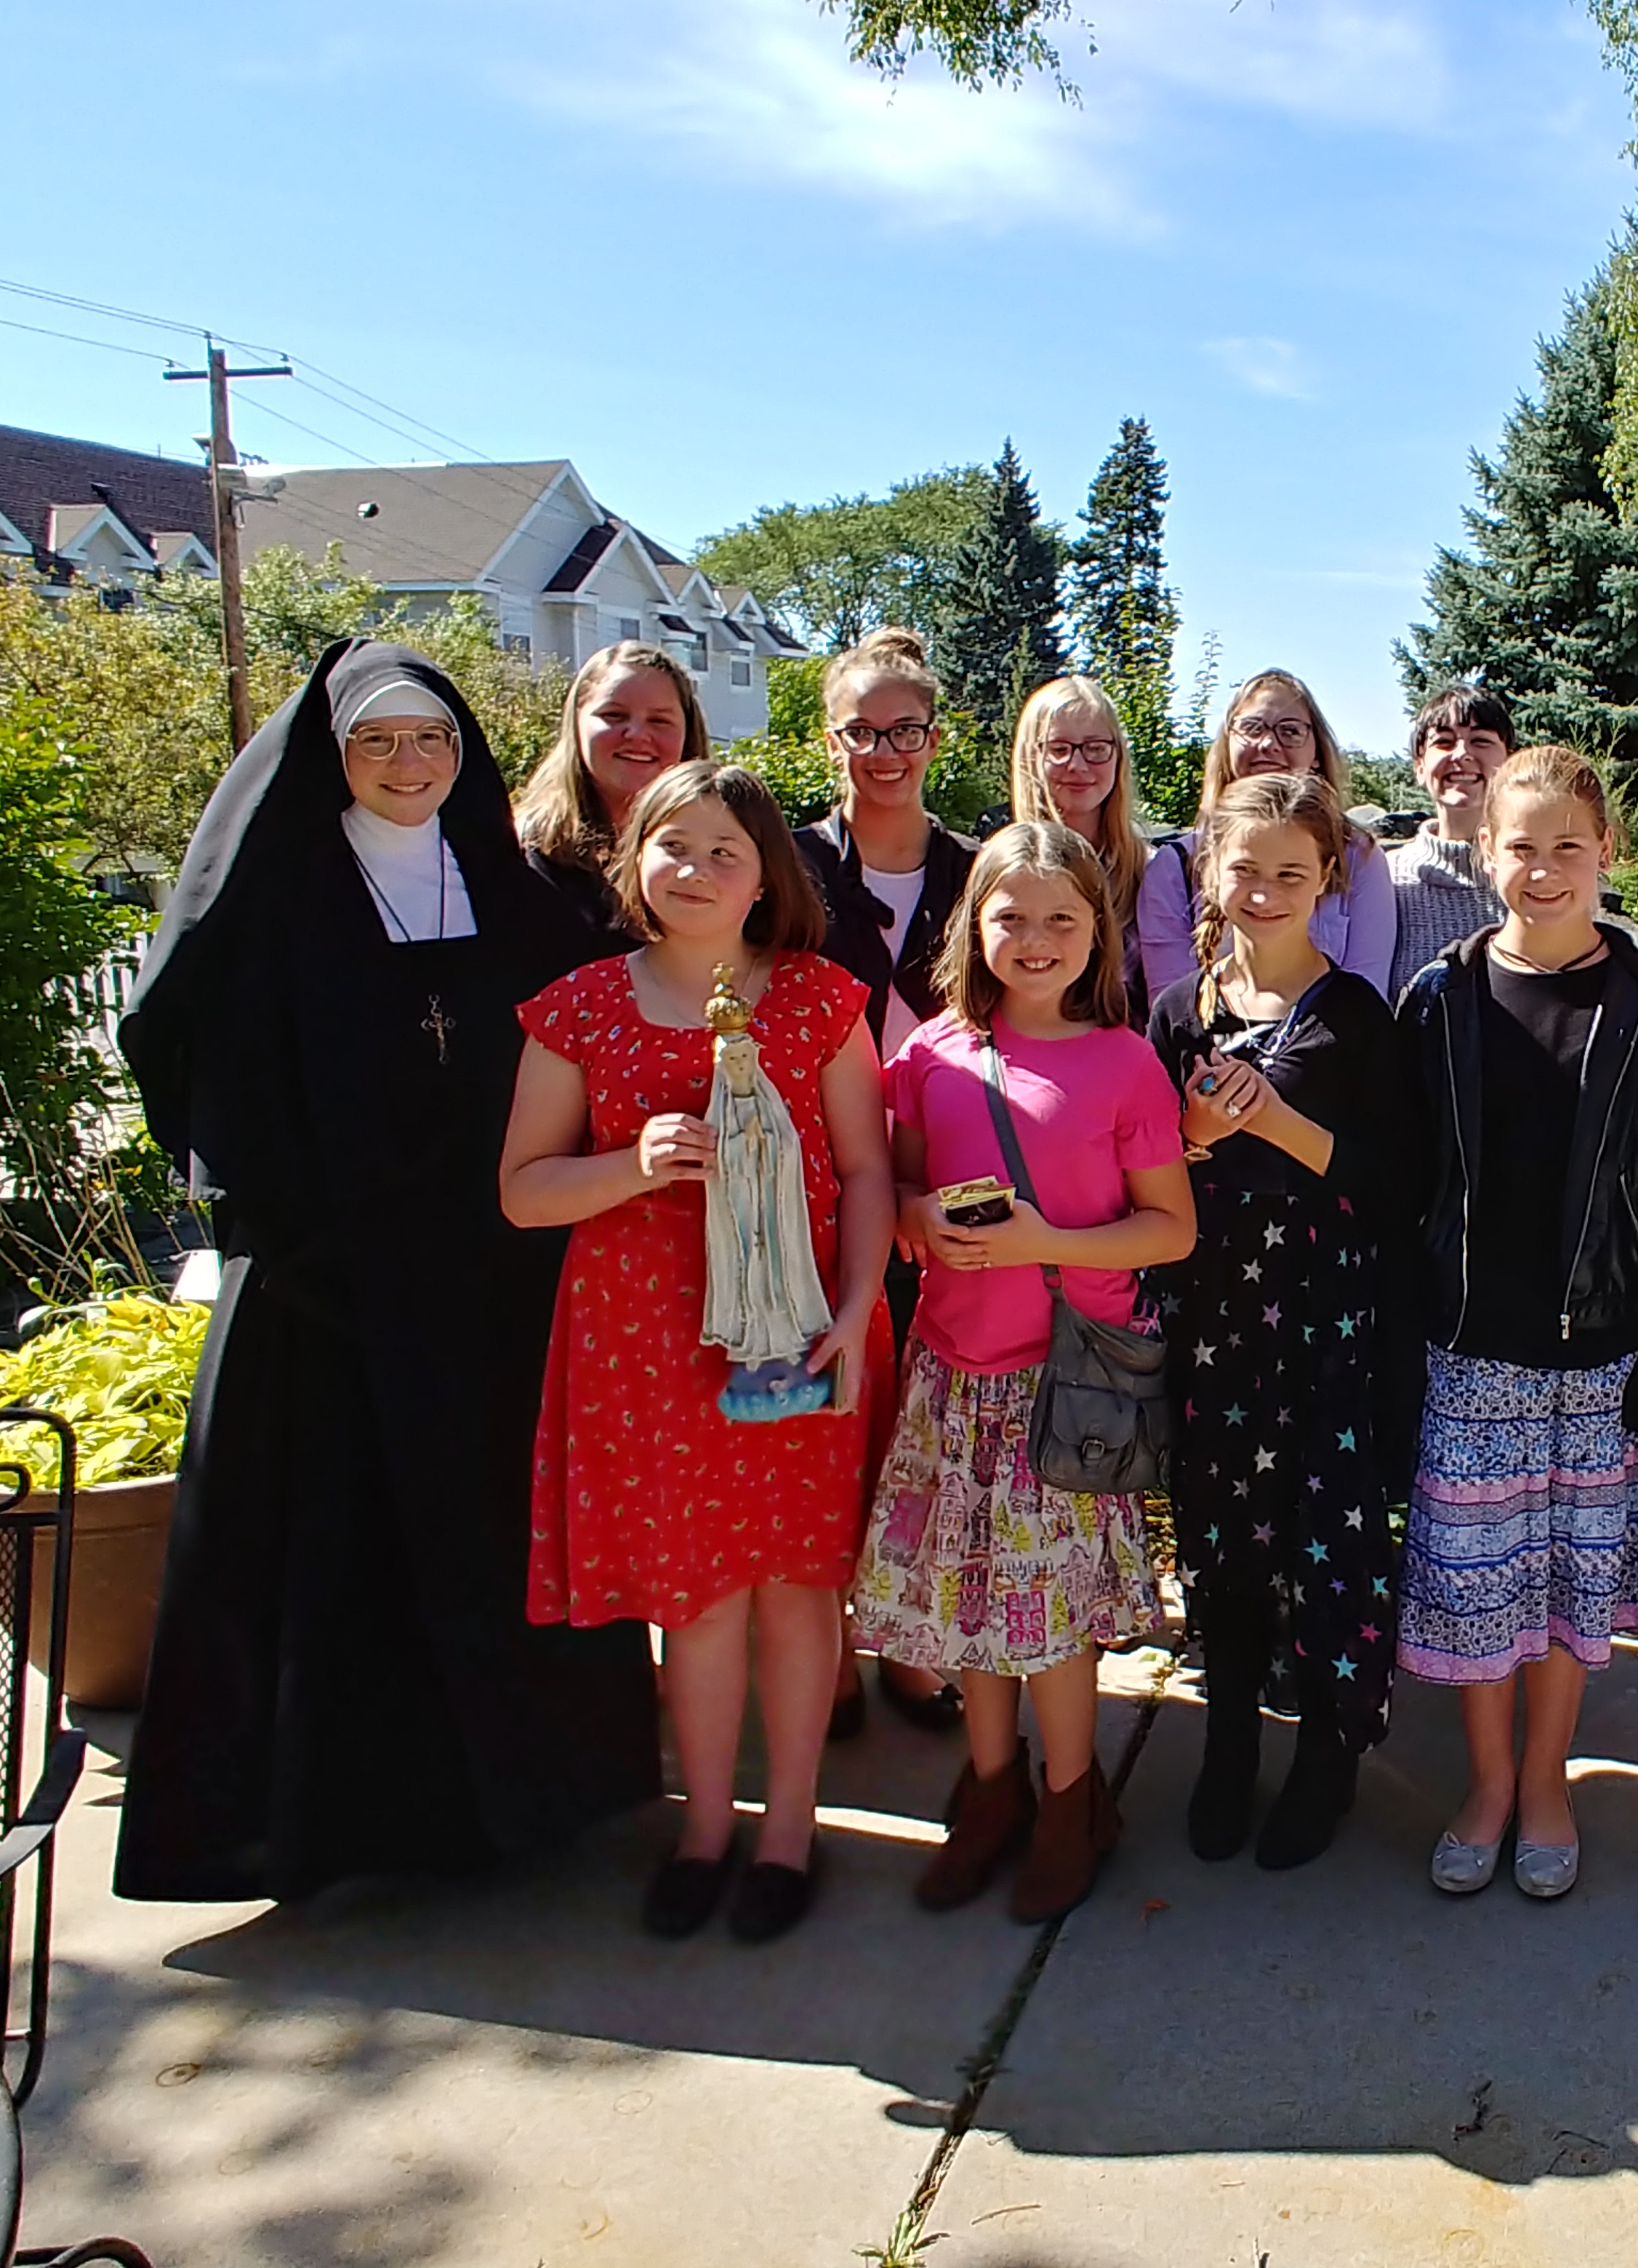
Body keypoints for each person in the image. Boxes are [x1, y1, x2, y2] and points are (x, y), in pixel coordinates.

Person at [113, 641, 661, 1905]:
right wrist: (297, 1231)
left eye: (431, 740)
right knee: (335, 1557)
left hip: (492, 1282)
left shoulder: (516, 896)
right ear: (332, 756)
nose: (408, 764)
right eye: (377, 741)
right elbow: (222, 1081)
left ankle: (529, 1804)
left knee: (495, 1546)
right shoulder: (281, 902)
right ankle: (340, 1830)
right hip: (328, 1289)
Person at [501, 761, 896, 1945]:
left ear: (764, 878)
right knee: (700, 1598)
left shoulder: (820, 999)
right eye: (675, 845)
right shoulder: (579, 1006)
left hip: (796, 1333)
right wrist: (632, 1165)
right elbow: (523, 1190)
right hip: (649, 1349)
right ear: (636, 861)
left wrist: (856, 1309)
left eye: (727, 852)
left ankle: (789, 1832)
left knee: (797, 1587)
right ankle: (706, 1829)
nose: (697, 870)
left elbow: (867, 1169)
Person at [848, 823, 1195, 1924]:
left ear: (1097, 933)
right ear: (974, 926)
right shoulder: (934, 1054)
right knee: (971, 1599)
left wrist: (1047, 1241)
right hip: (955, 1376)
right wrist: (920, 1222)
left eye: (1061, 919)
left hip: (1065, 1385)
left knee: (1051, 1617)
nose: (1035, 939)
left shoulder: (1123, 1061)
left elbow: (1170, 1228)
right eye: (1011, 917)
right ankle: (991, 1790)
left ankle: (1069, 1801)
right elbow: (898, 1192)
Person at [1400, 746, 1638, 1901]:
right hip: (1472, 1346)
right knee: (1479, 1588)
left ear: (1607, 852)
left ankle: (1545, 1783)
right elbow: (1408, 1176)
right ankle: (1486, 1783)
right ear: (1485, 852)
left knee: (1575, 1590)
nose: (1544, 869)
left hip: (1599, 1350)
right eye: (1521, 846)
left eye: (1568, 846)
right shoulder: (1441, 995)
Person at [1151, 773, 1415, 1870]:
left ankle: (1328, 1754)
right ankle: (1227, 1746)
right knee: (1223, 1528)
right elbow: (1146, 1170)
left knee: (1326, 1532)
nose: (1264, 891)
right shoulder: (1179, 1010)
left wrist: (1278, 1124)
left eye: (1289, 874)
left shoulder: (1354, 1015)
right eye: (1245, 870)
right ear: (1211, 873)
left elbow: (1395, 1184)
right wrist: (1196, 1136)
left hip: (1321, 1309)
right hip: (1215, 1304)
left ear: (1326, 882)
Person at [790, 625, 984, 1740]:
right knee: (831, 1416)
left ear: (935, 739)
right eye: (862, 733)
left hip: (954, 1182)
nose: (885, 752)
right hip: (823, 1183)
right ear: (833, 742)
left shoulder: (976, 872)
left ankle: (911, 1645)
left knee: (931, 1422)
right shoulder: (792, 867)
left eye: (904, 730)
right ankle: (826, 1650)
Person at [1137, 671, 1394, 1002]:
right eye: (1252, 728)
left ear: (1317, 752)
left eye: (1290, 731)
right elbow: (1172, 1008)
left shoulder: (1359, 857)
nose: (1269, 744)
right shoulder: (1175, 866)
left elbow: (1366, 998)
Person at [515, 641, 715, 956]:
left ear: (687, 732)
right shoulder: (525, 854)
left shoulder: (727, 849)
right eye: (614, 715)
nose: (636, 734)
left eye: (659, 721)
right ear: (577, 724)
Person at [1007, 674, 1152, 1019]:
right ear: (1031, 758)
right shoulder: (1001, 871)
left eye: (1096, 748)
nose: (1078, 765)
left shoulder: (1151, 872)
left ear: (1118, 757)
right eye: (1059, 749)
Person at [1384, 684, 1511, 1000]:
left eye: (1481, 741)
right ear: (1419, 766)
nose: (1462, 754)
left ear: (1509, 760)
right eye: (1443, 742)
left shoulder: (1531, 877)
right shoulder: (1383, 878)